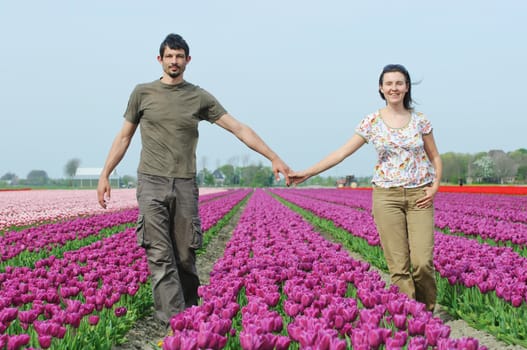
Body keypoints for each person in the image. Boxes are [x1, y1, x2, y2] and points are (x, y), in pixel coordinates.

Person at [97, 33, 291, 327]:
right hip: (151, 182)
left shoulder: (199, 96)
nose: (174, 61)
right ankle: (175, 323)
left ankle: (190, 313)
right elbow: (124, 135)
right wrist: (105, 173)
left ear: (188, 60)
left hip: (185, 183)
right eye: (169, 56)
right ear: (159, 59)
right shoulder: (142, 93)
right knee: (160, 255)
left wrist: (273, 156)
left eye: (179, 56)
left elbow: (238, 127)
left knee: (186, 255)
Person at [289, 64, 442, 312]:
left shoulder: (420, 121)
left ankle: (427, 310)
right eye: (389, 83)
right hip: (386, 198)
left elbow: (435, 156)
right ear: (381, 88)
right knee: (399, 267)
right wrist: (308, 172)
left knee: (422, 263)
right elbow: (341, 153)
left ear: (407, 87)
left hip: (419, 195)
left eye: (399, 83)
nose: (394, 88)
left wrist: (435, 186)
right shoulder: (372, 121)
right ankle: (412, 319)